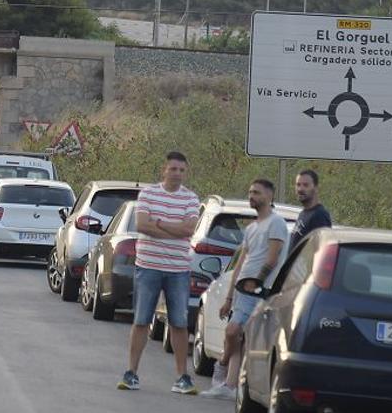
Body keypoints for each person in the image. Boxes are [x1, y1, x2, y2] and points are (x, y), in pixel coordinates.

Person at [119, 151, 201, 395]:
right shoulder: (148, 194)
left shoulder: (191, 198)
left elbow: (189, 229)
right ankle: (131, 372)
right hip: (149, 266)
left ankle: (182, 377)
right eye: (173, 169)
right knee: (141, 319)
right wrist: (174, 231)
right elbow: (143, 225)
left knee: (178, 322)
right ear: (164, 170)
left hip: (178, 269)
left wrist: (161, 224)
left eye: (181, 170)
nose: (177, 173)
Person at [202, 178, 289, 400]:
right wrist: (230, 296)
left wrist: (257, 282)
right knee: (234, 333)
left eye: (257, 193)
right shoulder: (251, 228)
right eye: (250, 192)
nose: (252, 196)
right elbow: (241, 264)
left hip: (262, 290)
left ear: (269, 196)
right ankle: (228, 384)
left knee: (242, 334)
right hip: (243, 289)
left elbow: (272, 258)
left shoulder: (276, 223)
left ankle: (234, 379)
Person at [289, 168, 332, 251]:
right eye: (298, 185)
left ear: (316, 188)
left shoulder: (319, 215)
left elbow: (321, 249)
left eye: (305, 185)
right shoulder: (303, 214)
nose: (300, 189)